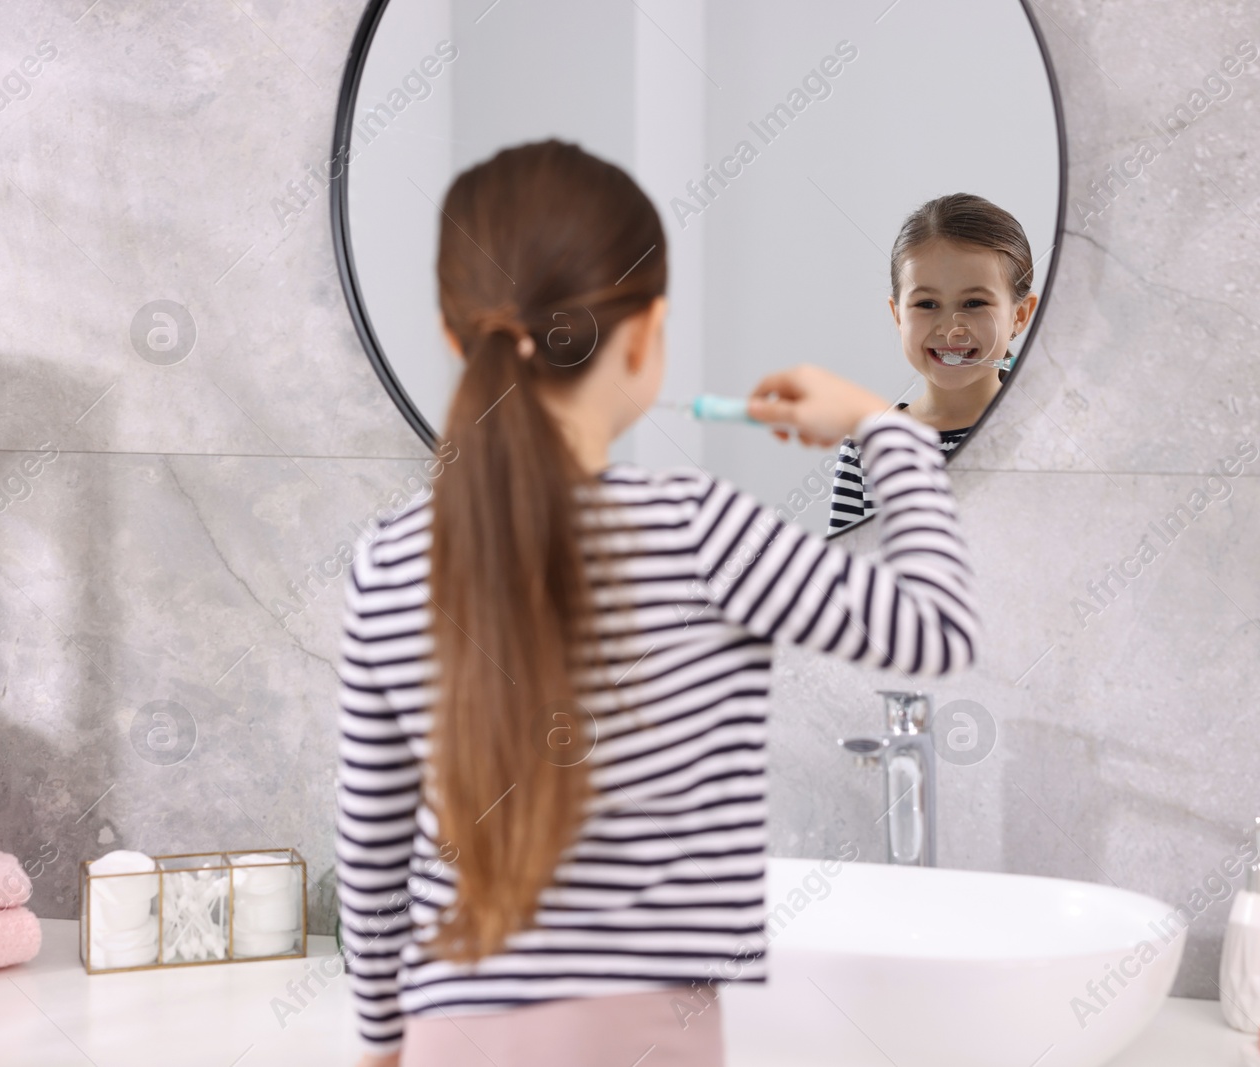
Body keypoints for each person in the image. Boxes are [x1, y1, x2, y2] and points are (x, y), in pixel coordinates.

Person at [334, 140, 979, 1067]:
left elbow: (371, 849)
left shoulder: (386, 560)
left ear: (452, 337)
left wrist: (381, 1041)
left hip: (446, 1030)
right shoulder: (701, 530)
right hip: (643, 1033)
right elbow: (938, 628)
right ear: (645, 336)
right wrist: (884, 429)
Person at [827, 193, 1039, 533]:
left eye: (974, 302)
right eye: (926, 304)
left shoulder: (1044, 433)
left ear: (1020, 315)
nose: (950, 328)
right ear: (898, 316)